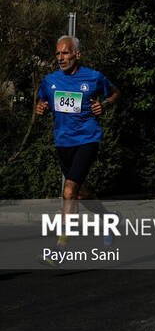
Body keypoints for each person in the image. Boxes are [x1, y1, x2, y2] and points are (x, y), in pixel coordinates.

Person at [36, 36, 120, 251]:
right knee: (80, 193)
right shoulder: (50, 80)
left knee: (68, 191)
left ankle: (61, 247)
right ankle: (109, 219)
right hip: (62, 142)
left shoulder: (93, 77)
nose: (60, 58)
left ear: (77, 54)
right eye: (57, 53)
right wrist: (41, 108)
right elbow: (42, 100)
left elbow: (114, 93)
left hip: (87, 139)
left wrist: (105, 105)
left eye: (65, 53)